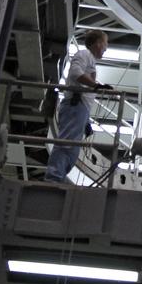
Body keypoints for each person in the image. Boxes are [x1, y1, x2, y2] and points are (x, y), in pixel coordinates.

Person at [45, 30, 110, 183]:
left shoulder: (90, 61)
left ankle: (57, 177)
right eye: (105, 44)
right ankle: (53, 177)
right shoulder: (84, 54)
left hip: (79, 109)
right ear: (98, 43)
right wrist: (96, 86)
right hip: (75, 105)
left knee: (73, 149)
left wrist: (86, 122)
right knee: (67, 144)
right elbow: (75, 73)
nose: (105, 49)